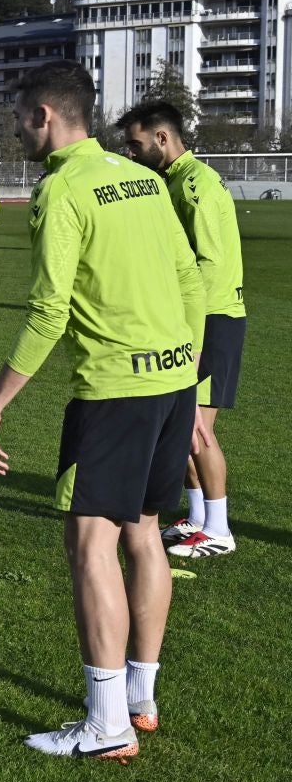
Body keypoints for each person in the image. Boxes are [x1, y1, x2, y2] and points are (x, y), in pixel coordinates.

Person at [0, 61, 205, 759]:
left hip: (116, 391)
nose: (17, 129)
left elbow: (48, 311)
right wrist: (189, 379)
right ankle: (140, 697)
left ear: (44, 115)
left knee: (89, 545)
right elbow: (189, 280)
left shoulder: (62, 189)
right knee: (144, 532)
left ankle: (105, 726)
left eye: (19, 117)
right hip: (170, 383)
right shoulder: (143, 178)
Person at [117, 98, 246, 560]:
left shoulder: (197, 187)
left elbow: (210, 267)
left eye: (136, 145)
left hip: (211, 320)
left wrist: (190, 337)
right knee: (179, 426)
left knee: (197, 430)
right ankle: (196, 517)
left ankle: (220, 528)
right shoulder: (168, 183)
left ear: (163, 138)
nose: (132, 154)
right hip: (185, 320)